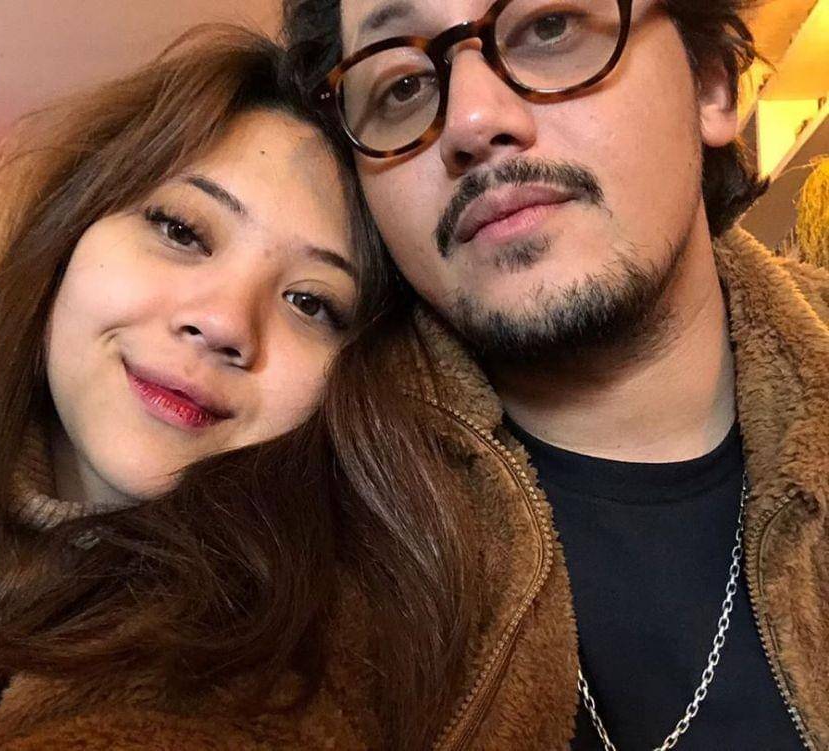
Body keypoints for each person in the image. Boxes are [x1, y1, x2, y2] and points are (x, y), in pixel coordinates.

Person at [0, 26, 453, 750]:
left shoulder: (299, 657)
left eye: (310, 302)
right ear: (71, 226)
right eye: (182, 230)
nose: (223, 323)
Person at [282, 0, 829, 748]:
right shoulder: (282, 559)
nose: (472, 120)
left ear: (710, 82)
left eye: (549, 27)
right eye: (403, 86)